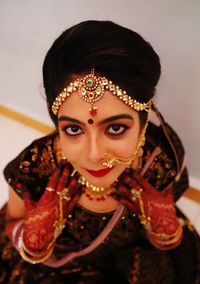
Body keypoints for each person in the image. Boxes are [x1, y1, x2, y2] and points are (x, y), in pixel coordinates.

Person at [0, 20, 199, 284]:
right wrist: (35, 240)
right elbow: (12, 222)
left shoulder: (161, 158)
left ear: (144, 120)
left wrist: (163, 229)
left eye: (115, 128)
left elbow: (164, 229)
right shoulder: (35, 167)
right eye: (73, 129)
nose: (94, 155)